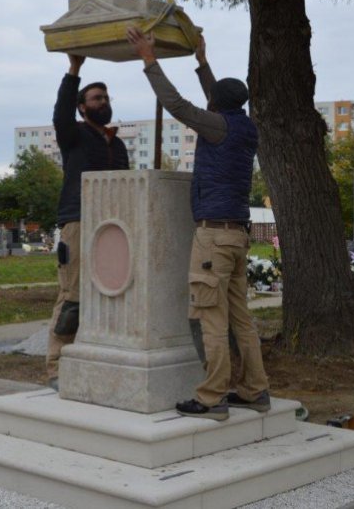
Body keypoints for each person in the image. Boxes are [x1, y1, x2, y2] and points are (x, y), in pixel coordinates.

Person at [126, 27, 270, 421]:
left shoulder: (217, 126)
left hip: (213, 235)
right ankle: (256, 390)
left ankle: (212, 397)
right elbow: (216, 102)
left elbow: (178, 105)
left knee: (211, 317)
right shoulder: (245, 127)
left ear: (218, 105)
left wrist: (148, 59)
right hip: (237, 235)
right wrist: (202, 62)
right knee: (241, 318)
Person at [46, 53, 130, 390]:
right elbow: (60, 112)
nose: (104, 102)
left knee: (109, 296)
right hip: (79, 223)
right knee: (72, 296)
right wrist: (74, 70)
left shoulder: (118, 144)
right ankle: (56, 368)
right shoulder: (74, 135)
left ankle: (91, 359)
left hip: (114, 227)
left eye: (107, 97)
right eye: (97, 98)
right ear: (83, 107)